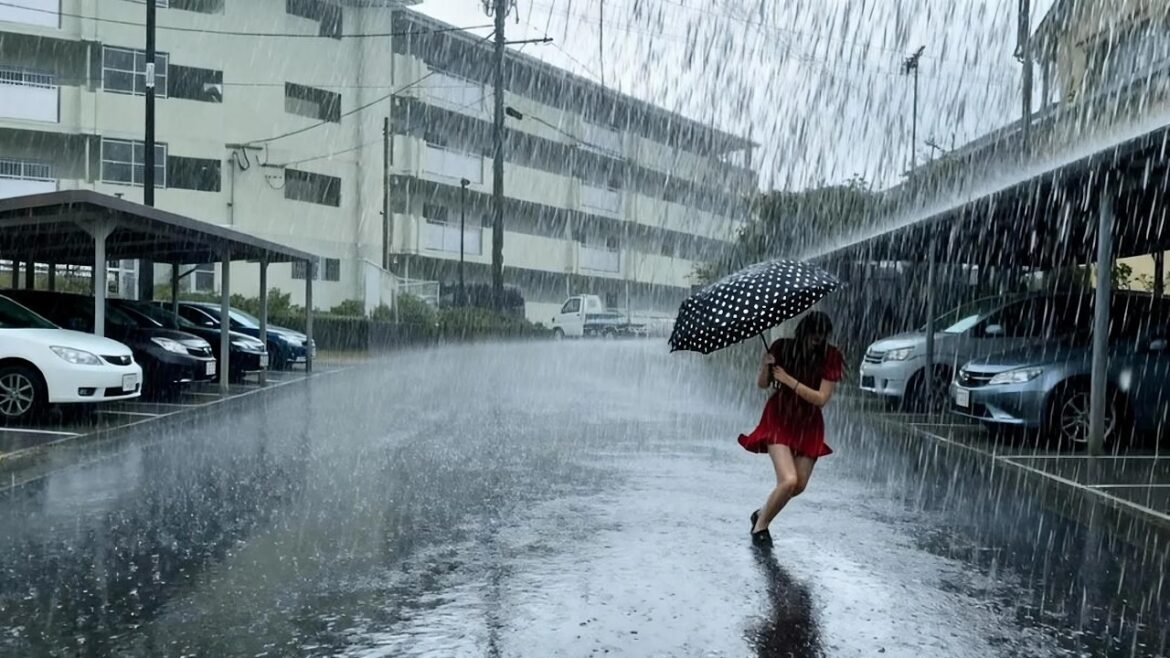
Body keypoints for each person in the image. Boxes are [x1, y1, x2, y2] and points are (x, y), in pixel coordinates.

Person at [738, 312, 843, 545]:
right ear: (803, 331)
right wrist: (765, 366)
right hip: (779, 417)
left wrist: (788, 380)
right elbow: (762, 384)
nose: (817, 338)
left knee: (798, 486)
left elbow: (821, 398)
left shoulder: (831, 356)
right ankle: (760, 528)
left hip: (809, 422)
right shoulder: (782, 347)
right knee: (788, 481)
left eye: (822, 334)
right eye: (813, 333)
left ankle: (761, 512)